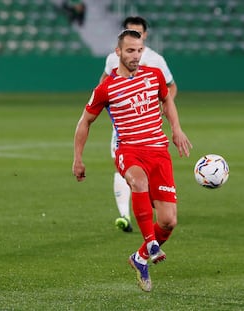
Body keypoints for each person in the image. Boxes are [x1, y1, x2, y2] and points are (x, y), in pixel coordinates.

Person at [73, 29, 192, 291]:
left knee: (169, 221)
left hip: (159, 153)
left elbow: (167, 101)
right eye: (130, 51)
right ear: (118, 52)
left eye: (139, 50)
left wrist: (177, 129)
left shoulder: (155, 75)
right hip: (129, 150)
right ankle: (150, 242)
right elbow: (85, 122)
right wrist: (77, 158)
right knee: (137, 181)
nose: (136, 56)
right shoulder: (106, 88)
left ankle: (139, 258)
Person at [99, 16, 178, 233]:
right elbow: (103, 84)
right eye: (129, 31)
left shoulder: (155, 60)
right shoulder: (112, 59)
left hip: (150, 129)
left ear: (145, 35)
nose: (134, 36)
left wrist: (163, 105)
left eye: (138, 33)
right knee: (122, 166)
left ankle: (153, 206)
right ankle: (124, 214)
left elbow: (171, 87)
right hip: (124, 128)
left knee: (148, 172)